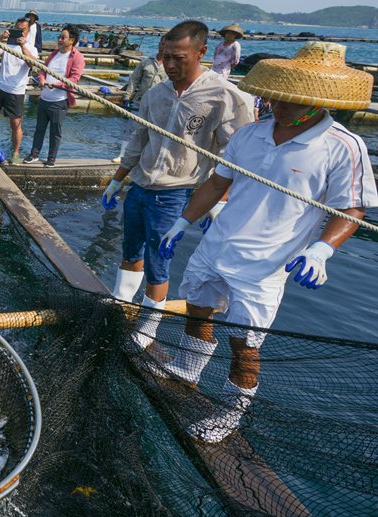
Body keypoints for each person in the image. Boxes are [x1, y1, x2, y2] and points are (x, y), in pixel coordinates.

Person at [157, 41, 377, 443]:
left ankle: (229, 413)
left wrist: (323, 249)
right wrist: (182, 221)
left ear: (316, 101)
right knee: (198, 309)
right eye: (274, 97)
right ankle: (188, 368)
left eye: (290, 101)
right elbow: (218, 182)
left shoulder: (343, 146)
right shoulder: (250, 134)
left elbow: (353, 209)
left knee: (245, 343)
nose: (278, 105)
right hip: (218, 245)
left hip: (266, 264)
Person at [101, 20, 253, 353]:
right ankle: (119, 302)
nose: (170, 64)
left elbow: (235, 156)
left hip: (176, 193)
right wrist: (117, 180)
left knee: (159, 260)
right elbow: (138, 139)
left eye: (179, 58)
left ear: (202, 52)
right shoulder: (156, 93)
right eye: (166, 56)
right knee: (130, 250)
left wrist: (220, 200)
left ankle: (150, 326)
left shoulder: (224, 96)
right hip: (140, 186)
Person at [23, 25, 85, 167]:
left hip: (59, 101)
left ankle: (51, 158)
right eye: (59, 37)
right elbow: (42, 70)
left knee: (55, 132)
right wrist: (42, 79)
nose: (59, 40)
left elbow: (74, 79)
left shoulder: (77, 58)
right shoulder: (54, 53)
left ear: (72, 40)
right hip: (44, 98)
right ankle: (34, 154)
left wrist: (57, 85)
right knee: (39, 129)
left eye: (63, 37)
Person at [0, 18, 37, 166]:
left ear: (27, 32)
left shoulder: (31, 48)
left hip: (16, 91)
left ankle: (15, 152)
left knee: (15, 124)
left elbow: (32, 64)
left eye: (22, 30)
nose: (19, 33)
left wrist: (22, 46)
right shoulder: (6, 44)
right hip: (0, 87)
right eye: (17, 29)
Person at [112, 37, 167, 164]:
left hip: (159, 105)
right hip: (140, 101)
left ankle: (147, 158)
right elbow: (134, 80)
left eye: (167, 45)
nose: (163, 47)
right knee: (130, 130)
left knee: (154, 133)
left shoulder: (171, 65)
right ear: (159, 44)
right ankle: (122, 155)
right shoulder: (146, 62)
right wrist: (127, 98)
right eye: (162, 44)